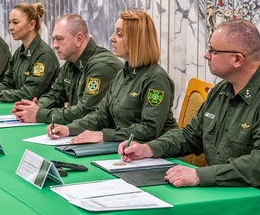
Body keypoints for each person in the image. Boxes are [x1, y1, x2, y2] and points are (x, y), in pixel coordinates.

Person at [118, 19, 260, 204]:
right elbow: (190, 136)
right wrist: (149, 148)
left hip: (258, 200)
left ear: (237, 59)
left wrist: (200, 175)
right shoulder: (220, 91)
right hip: (219, 193)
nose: (206, 55)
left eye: (213, 51)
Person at [46, 10, 177, 143]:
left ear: (136, 40)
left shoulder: (156, 79)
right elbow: (101, 115)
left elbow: (149, 129)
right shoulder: (122, 75)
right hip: (126, 150)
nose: (112, 38)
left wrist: (104, 135)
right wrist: (69, 129)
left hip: (159, 157)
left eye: (119, 34)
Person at [12, 13, 123, 124]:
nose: (55, 45)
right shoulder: (71, 62)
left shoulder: (101, 65)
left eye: (59, 39)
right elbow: (55, 94)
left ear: (79, 39)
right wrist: (33, 107)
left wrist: (39, 114)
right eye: (54, 39)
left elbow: (84, 111)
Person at [0, 3, 59, 102]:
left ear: (31, 25)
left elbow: (28, 94)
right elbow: (8, 84)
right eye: (9, 22)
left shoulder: (44, 55)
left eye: (15, 22)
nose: (10, 27)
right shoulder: (19, 52)